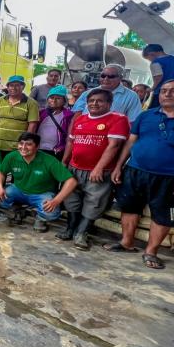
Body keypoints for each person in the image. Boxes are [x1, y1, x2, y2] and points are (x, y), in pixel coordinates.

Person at [110, 79, 174, 269]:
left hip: (171, 177)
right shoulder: (146, 116)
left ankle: (151, 251)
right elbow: (130, 143)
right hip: (135, 171)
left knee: (163, 216)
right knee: (129, 207)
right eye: (163, 91)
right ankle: (126, 243)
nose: (167, 94)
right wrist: (119, 166)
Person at [59, 89, 130, 249]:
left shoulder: (118, 119)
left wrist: (99, 168)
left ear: (109, 104)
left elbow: (114, 145)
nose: (94, 104)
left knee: (95, 201)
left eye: (100, 101)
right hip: (74, 167)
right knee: (71, 198)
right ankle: (70, 228)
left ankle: (82, 233)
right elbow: (71, 142)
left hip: (99, 171)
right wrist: (64, 162)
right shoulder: (80, 119)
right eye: (91, 101)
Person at [0, 132, 77, 232]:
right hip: (18, 190)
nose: (23, 147)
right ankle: (17, 209)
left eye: (28, 144)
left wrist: (56, 200)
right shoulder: (12, 156)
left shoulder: (49, 160)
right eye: (21, 143)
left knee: (52, 213)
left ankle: (40, 218)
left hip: (42, 194)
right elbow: (1, 172)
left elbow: (71, 181)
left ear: (37, 147)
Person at [72, 64, 143, 123]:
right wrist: (70, 137)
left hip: (112, 137)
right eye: (103, 76)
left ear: (120, 78)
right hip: (84, 135)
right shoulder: (87, 93)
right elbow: (76, 118)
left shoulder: (131, 96)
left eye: (111, 76)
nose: (106, 79)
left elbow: (133, 122)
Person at [0, 75, 39, 154]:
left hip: (18, 147)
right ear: (8, 87)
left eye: (17, 85)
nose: (13, 88)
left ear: (23, 87)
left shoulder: (31, 103)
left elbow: (32, 124)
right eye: (11, 85)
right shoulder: (1, 100)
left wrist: (26, 142)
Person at [37, 85, 74, 159]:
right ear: (48, 100)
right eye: (51, 97)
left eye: (58, 98)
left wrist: (62, 147)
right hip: (38, 148)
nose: (54, 100)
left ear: (64, 101)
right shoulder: (41, 113)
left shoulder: (69, 115)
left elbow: (70, 135)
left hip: (56, 151)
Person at [142, 43, 174, 108]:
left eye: (148, 59)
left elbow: (158, 77)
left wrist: (152, 88)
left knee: (153, 111)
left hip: (161, 91)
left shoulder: (156, 62)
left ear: (151, 54)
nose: (150, 61)